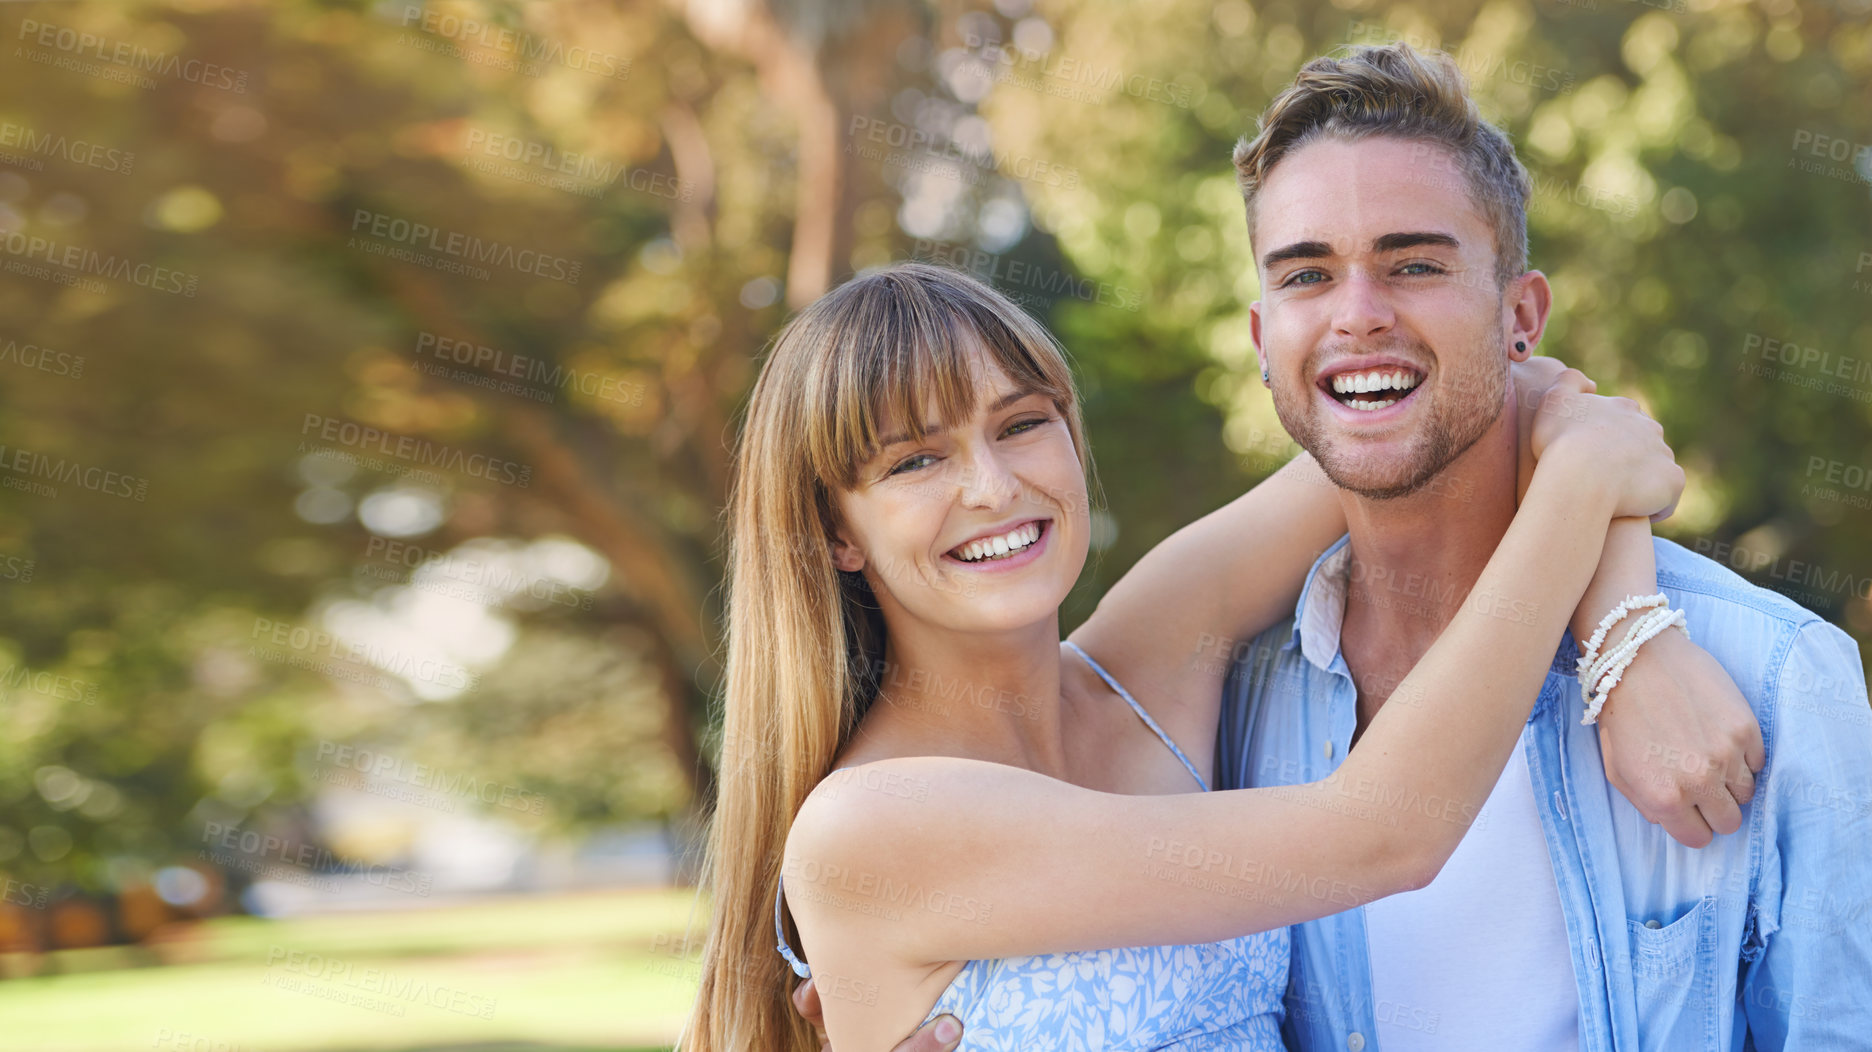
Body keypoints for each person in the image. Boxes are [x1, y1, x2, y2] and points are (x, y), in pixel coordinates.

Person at [679, 258, 1761, 1052]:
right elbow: (1386, 832)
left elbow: (1483, 399)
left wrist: (1627, 623)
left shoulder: (1146, 660)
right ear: (834, 530)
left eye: (1020, 423)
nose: (992, 487)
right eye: (916, 459)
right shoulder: (870, 825)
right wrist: (1582, 492)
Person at [1205, 43, 1872, 1051]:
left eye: (1415, 263)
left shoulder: (1781, 676)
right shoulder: (1226, 698)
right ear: (1265, 341)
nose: (1359, 313)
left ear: (1521, 315)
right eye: (1309, 273)